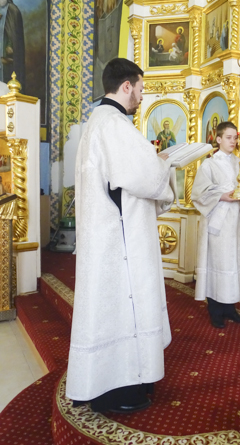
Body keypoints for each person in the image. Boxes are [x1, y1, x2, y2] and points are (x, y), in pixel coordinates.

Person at [66, 58, 174, 413]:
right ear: (126, 86)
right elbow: (146, 178)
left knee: (109, 310)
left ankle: (110, 383)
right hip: (119, 240)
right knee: (124, 308)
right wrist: (165, 163)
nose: (141, 97)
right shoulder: (114, 125)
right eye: (140, 89)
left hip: (106, 235)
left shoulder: (97, 121)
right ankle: (119, 391)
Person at [191, 121, 240, 328]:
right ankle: (215, 311)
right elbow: (198, 194)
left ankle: (230, 308)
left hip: (237, 221)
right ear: (218, 139)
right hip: (218, 220)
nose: (233, 141)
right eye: (228, 137)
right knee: (218, 262)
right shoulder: (209, 165)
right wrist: (221, 196)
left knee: (234, 262)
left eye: (235, 137)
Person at [0, 0, 25, 88]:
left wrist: (10, 45)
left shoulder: (13, 10)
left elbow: (15, 34)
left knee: (6, 74)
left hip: (5, 49)